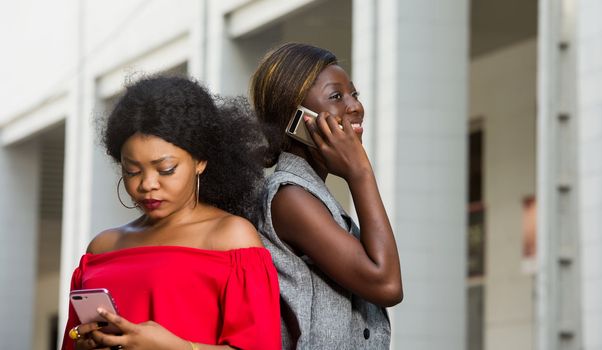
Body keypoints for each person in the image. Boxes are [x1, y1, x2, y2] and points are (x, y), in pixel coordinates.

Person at [61, 76, 281, 350]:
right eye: (132, 171)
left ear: (200, 161)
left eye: (165, 169)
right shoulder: (103, 247)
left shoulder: (230, 237)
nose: (147, 184)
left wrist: (178, 347)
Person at [250, 43, 403, 350]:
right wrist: (360, 172)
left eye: (354, 94)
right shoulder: (290, 197)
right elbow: (386, 284)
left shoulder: (311, 193)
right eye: (336, 96)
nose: (355, 106)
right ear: (297, 118)